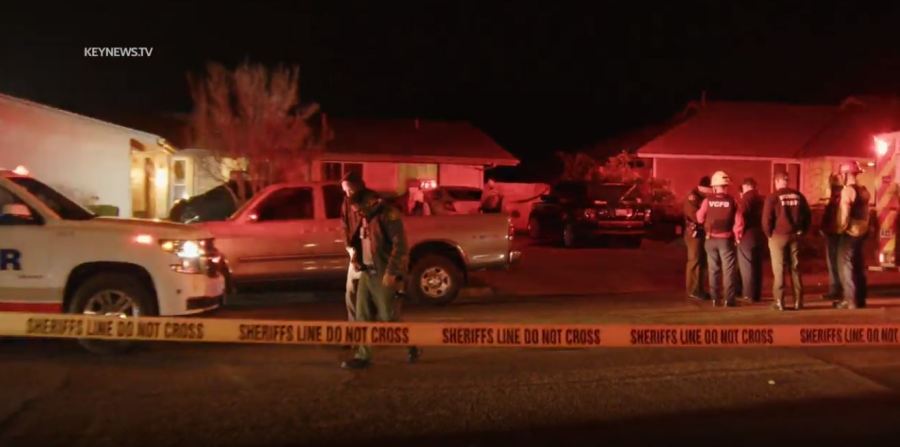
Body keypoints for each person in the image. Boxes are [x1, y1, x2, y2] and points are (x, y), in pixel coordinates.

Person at [342, 189, 420, 369]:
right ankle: (363, 356)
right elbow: (359, 240)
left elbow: (400, 246)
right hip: (366, 273)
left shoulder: (388, 216)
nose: (357, 213)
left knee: (388, 318)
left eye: (358, 209)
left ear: (368, 203)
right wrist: (356, 258)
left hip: (383, 273)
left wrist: (391, 272)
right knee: (363, 316)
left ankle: (413, 345)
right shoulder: (365, 217)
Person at [762, 171, 811, 311]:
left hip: (778, 236)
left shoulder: (773, 197)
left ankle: (779, 302)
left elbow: (766, 220)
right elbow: (808, 215)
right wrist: (803, 230)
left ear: (776, 182)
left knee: (779, 269)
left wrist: (768, 234)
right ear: (787, 181)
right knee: (795, 268)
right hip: (795, 235)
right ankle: (798, 301)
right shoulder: (799, 196)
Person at [696, 171, 744, 307]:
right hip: (726, 240)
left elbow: (699, 218)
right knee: (728, 270)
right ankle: (729, 300)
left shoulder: (707, 201)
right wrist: (738, 236)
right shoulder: (733, 201)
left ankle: (715, 299)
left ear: (714, 187)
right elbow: (739, 222)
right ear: (726, 186)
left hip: (710, 239)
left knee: (713, 269)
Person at [834, 161, 871, 310]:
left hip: (850, 232)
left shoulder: (847, 191)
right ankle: (860, 299)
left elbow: (845, 213)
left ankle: (850, 300)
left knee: (845, 265)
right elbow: (866, 212)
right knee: (858, 266)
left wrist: (840, 228)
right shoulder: (864, 190)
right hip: (862, 231)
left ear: (846, 174)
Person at [340, 171, 366, 322]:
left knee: (364, 296)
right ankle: (353, 330)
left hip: (369, 256)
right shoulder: (346, 203)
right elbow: (344, 226)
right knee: (350, 293)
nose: (348, 194)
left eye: (350, 190)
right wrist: (349, 248)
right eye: (345, 191)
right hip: (355, 253)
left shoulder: (370, 202)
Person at [684, 176, 713, 301]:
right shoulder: (693, 197)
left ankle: (700, 288)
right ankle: (692, 289)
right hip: (694, 232)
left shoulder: (705, 197)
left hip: (703, 232)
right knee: (695, 260)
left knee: (703, 261)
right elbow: (695, 216)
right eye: (710, 189)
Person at [737, 178, 765, 303]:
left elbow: (740, 217)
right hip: (760, 234)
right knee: (758, 265)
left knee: (747, 265)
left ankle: (748, 294)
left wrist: (737, 234)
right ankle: (756, 293)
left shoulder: (746, 199)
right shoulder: (762, 199)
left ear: (745, 186)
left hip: (747, 234)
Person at [820, 174, 844, 301]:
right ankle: (842, 288)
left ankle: (835, 289)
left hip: (833, 232)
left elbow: (830, 215)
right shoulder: (843, 193)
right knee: (840, 262)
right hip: (841, 233)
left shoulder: (835, 196)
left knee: (833, 262)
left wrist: (823, 228)